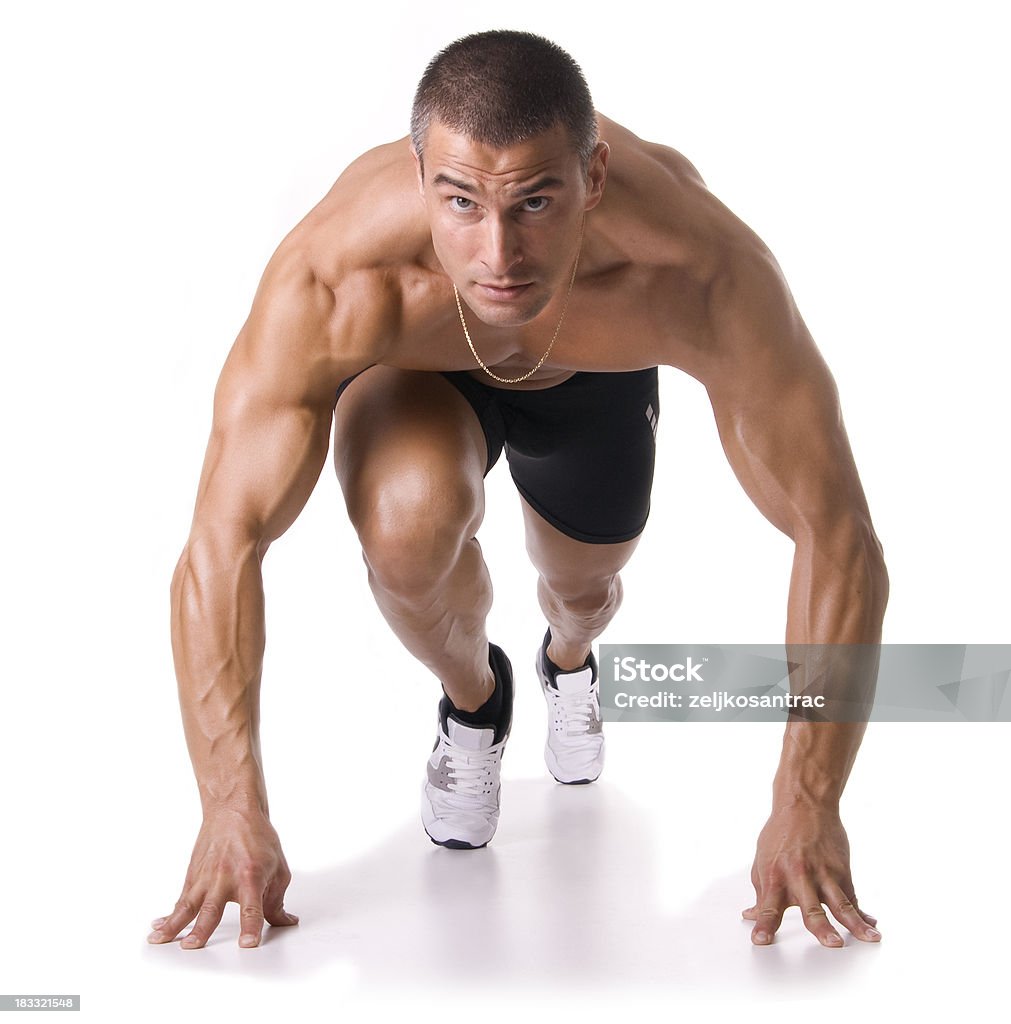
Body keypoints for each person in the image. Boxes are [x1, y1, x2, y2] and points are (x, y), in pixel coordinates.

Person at [147, 29, 888, 952]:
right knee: (405, 528)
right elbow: (222, 541)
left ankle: (568, 662)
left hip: (596, 378)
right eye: (460, 203)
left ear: (595, 177)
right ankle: (475, 704)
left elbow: (837, 532)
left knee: (583, 589)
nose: (497, 252)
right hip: (419, 374)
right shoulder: (338, 279)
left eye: (535, 201)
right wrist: (228, 809)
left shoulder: (696, 273)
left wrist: (807, 801)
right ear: (420, 179)